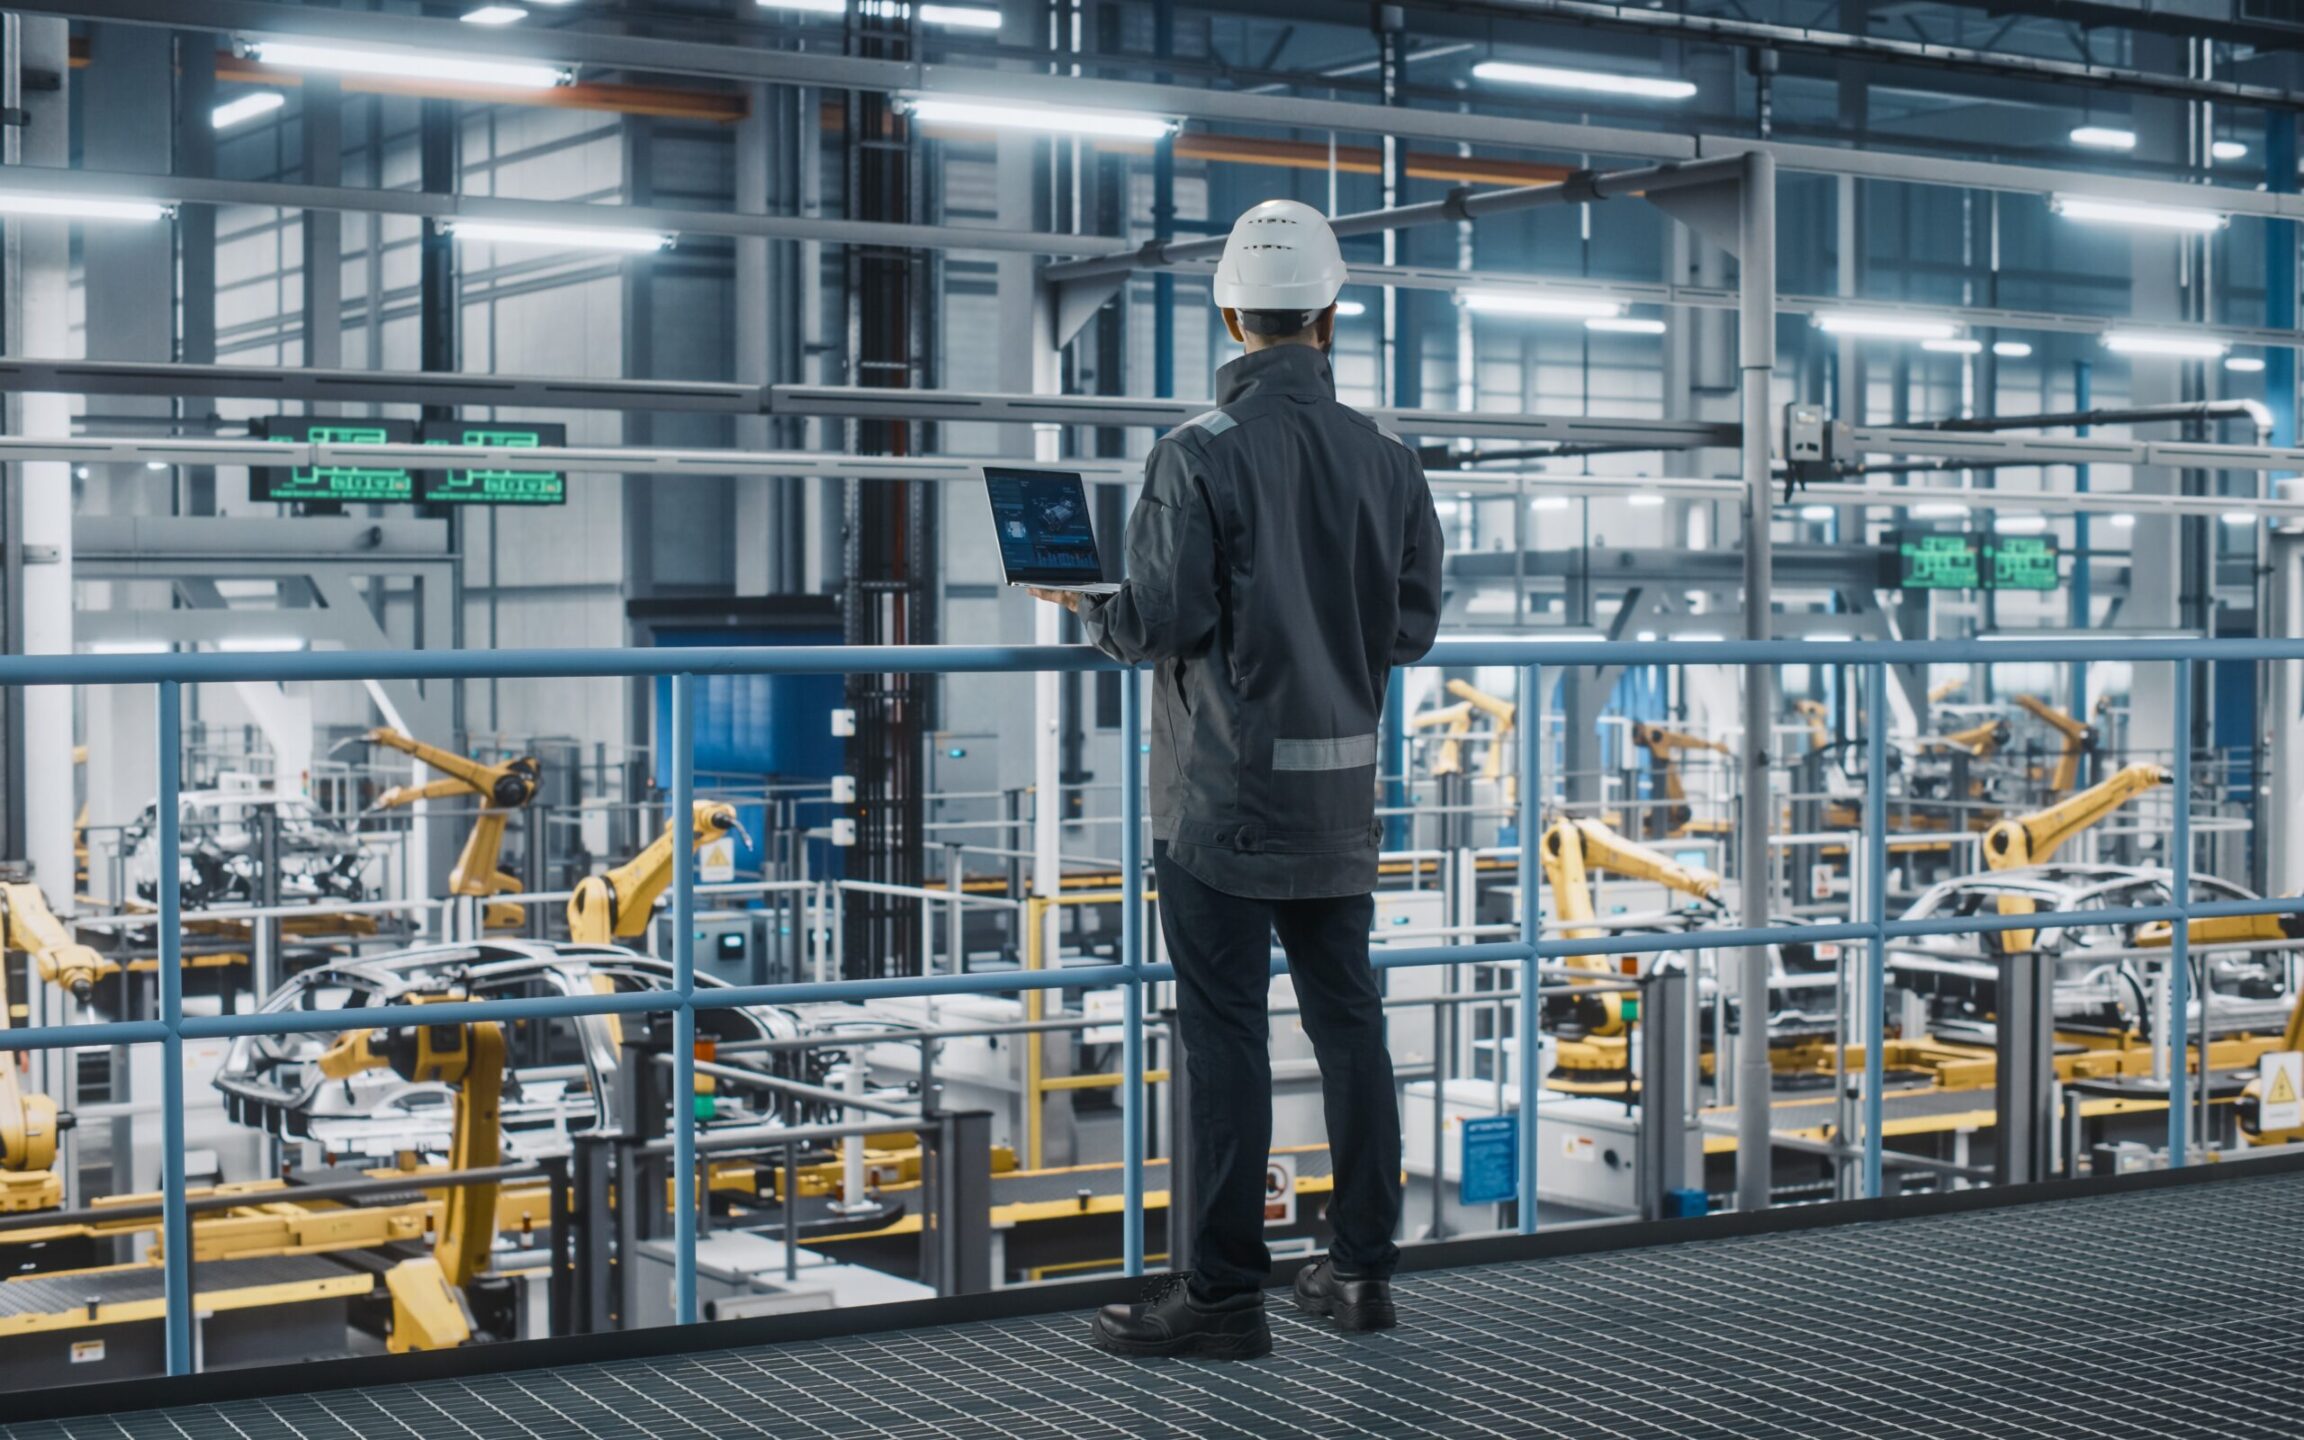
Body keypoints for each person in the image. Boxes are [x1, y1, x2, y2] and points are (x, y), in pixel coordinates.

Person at [1030, 198, 1444, 1360]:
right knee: (1349, 1026)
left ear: (1230, 312)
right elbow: (1410, 630)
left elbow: (1165, 620)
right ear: (1328, 314)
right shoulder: (1390, 459)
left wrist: (1092, 611)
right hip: (1341, 796)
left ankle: (1220, 1298)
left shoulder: (1196, 452)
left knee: (1227, 1040)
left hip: (1223, 805)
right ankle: (1360, 1272)